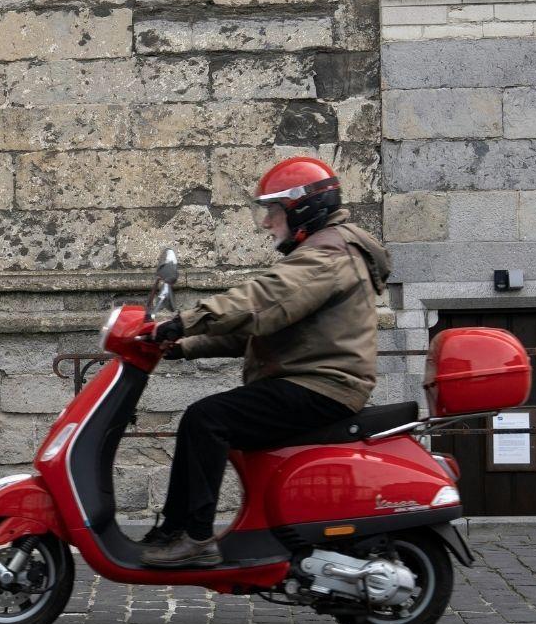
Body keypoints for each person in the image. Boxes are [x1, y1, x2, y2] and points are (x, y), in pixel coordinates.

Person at [139, 156, 391, 568]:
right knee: (209, 418)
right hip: (313, 380)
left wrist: (183, 322)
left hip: (322, 385)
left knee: (207, 419)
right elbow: (255, 330)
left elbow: (262, 300)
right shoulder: (325, 250)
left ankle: (193, 536)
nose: (266, 222)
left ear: (301, 208)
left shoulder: (328, 254)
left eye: (273, 211)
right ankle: (178, 529)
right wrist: (181, 346)